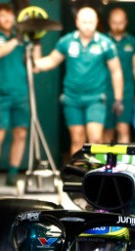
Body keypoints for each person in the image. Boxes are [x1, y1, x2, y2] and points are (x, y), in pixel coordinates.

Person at [33, 6, 122, 158]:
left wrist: (118, 98)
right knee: (77, 139)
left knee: (96, 139)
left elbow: (116, 71)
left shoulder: (106, 43)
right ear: (77, 22)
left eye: (91, 22)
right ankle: (78, 177)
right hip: (72, 98)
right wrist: (35, 52)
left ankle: (95, 177)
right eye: (84, 22)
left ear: (97, 22)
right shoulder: (66, 41)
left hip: (95, 98)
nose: (88, 25)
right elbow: (51, 61)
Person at [0, 2, 27, 188]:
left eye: (10, 15)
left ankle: (13, 173)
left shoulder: (22, 40)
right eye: (2, 15)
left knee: (20, 134)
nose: (7, 19)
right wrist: (15, 40)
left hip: (21, 93)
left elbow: (35, 62)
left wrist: (36, 39)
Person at [103, 7, 135, 144]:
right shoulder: (102, 41)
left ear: (126, 22)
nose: (117, 26)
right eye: (114, 22)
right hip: (105, 91)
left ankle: (123, 164)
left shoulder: (132, 42)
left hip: (127, 92)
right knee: (107, 130)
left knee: (123, 128)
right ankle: (106, 163)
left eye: (120, 22)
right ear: (109, 22)